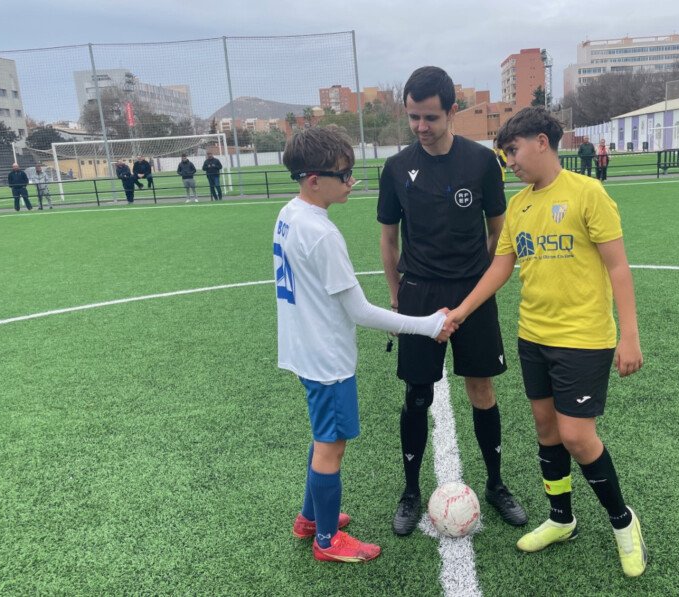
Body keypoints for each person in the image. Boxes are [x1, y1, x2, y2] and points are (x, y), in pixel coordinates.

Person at [447, 107, 647, 578]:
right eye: (503, 154)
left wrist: (630, 335)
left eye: (513, 151)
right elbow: (501, 267)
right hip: (533, 335)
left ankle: (624, 523)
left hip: (583, 338)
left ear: (541, 141)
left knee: (578, 436)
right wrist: (460, 311)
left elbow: (618, 267)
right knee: (547, 431)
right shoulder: (518, 206)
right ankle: (561, 519)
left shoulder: (587, 193)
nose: (509, 162)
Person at [277, 126, 456, 563]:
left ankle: (310, 519)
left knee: (323, 438)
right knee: (330, 445)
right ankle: (326, 542)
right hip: (326, 357)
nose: (351, 181)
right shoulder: (321, 234)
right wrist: (428, 325)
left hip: (304, 349)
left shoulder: (289, 213)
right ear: (313, 179)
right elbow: (359, 311)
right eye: (344, 174)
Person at [377, 66, 527, 536]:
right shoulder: (396, 168)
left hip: (473, 293)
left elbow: (499, 232)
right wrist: (397, 296)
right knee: (417, 394)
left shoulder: (482, 163)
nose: (421, 127)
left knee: (481, 388)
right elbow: (388, 240)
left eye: (430, 117)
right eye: (413, 117)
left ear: (452, 112)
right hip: (419, 293)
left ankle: (497, 485)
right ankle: (409, 491)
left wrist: (474, 282)